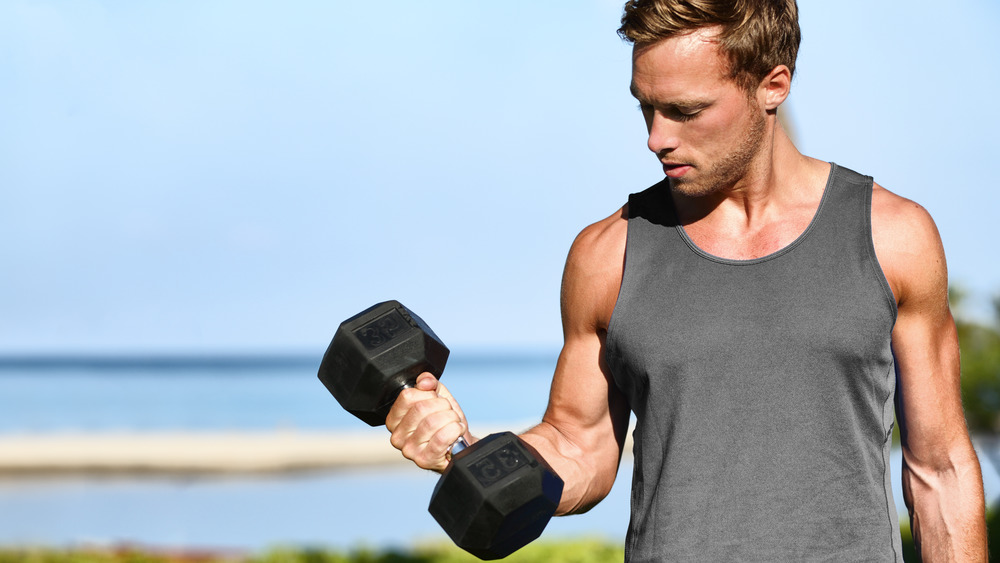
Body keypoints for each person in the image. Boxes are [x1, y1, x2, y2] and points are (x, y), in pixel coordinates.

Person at [385, 0, 988, 560]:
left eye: (686, 111)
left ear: (772, 86)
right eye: (645, 107)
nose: (656, 138)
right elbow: (580, 445)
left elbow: (940, 470)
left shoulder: (892, 237)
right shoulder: (607, 254)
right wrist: (472, 457)